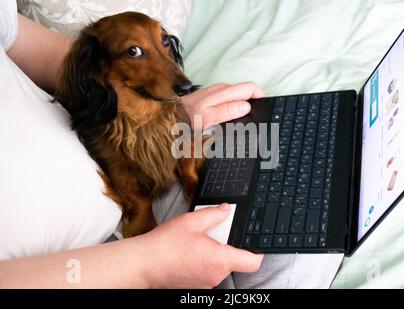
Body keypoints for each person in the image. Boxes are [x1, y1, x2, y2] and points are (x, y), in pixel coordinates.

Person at [0, 1, 318, 289]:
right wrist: (148, 266)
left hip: (132, 171)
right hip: (86, 269)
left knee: (299, 199)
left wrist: (162, 113)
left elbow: (38, 49)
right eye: (135, 51)